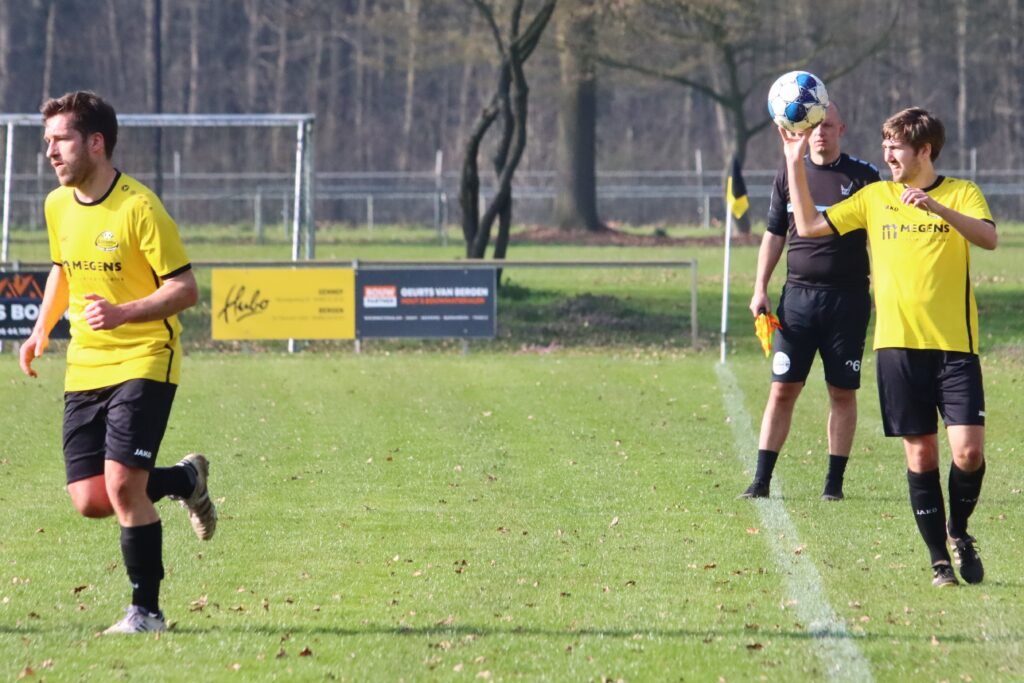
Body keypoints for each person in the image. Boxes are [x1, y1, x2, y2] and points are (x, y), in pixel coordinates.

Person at [19, 91, 218, 632]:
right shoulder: (57, 205)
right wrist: (40, 329)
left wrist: (123, 313)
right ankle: (184, 479)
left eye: (60, 140)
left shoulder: (139, 208)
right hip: (86, 364)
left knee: (125, 486)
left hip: (145, 355)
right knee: (90, 499)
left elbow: (186, 289)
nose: (50, 151)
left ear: (96, 143)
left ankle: (146, 612)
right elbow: (63, 268)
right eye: (47, 141)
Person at [780, 107, 996, 588]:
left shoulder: (962, 192)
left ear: (924, 150)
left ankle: (959, 531)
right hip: (898, 348)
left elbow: (989, 238)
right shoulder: (875, 197)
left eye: (896, 147)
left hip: (956, 348)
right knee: (921, 456)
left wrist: (937, 209)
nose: (887, 156)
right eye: (885, 146)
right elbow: (809, 226)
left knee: (967, 454)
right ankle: (939, 561)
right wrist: (794, 162)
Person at [740, 104, 880, 501]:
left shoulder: (864, 177)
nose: (820, 133)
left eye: (828, 126)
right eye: (814, 127)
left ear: (841, 129)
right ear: (803, 130)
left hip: (848, 302)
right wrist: (760, 287)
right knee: (782, 389)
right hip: (798, 301)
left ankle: (833, 484)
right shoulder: (790, 172)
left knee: (841, 391)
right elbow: (774, 234)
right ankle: (761, 481)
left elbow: (879, 239)